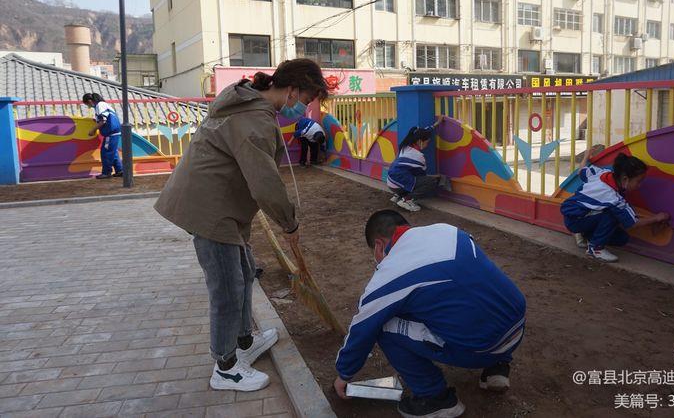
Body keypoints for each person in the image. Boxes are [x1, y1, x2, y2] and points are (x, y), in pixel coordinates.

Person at [154, 59, 330, 392]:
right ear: (292, 89)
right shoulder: (253, 118)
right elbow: (264, 183)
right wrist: (289, 224)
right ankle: (226, 366)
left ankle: (244, 341)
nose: (303, 109)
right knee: (226, 288)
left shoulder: (252, 103)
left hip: (224, 202)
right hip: (209, 207)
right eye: (305, 100)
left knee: (245, 271)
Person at [333, 210, 527, 418]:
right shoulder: (447, 231)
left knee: (383, 326)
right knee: (465, 296)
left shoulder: (391, 272)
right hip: (516, 328)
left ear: (379, 245)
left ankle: (434, 398)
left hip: (482, 347)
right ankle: (496, 368)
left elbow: (364, 327)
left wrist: (344, 372)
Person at [560, 153, 670, 263]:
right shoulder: (614, 198)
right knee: (613, 214)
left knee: (621, 239)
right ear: (625, 179)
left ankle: (583, 233)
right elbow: (633, 223)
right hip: (576, 220)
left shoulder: (602, 174)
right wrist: (656, 218)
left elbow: (581, 171)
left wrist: (586, 156)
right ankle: (596, 248)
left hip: (573, 215)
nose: (639, 185)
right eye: (638, 181)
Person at [386, 118, 450, 212]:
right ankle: (407, 200)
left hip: (391, 182)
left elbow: (424, 132)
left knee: (410, 178)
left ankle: (397, 196)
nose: (427, 145)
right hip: (398, 184)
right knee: (431, 182)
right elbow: (422, 177)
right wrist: (436, 176)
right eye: (427, 142)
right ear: (420, 141)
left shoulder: (405, 147)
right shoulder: (418, 157)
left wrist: (436, 124)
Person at [82, 93, 123, 179]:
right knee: (113, 152)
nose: (89, 107)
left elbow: (103, 120)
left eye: (88, 105)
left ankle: (106, 172)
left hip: (110, 133)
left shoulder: (99, 105)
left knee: (106, 152)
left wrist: (93, 130)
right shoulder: (103, 105)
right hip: (114, 132)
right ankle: (120, 170)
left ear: (90, 101)